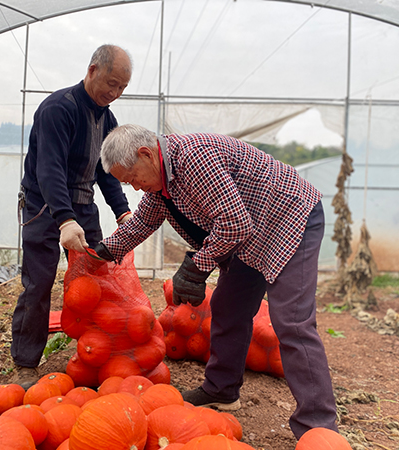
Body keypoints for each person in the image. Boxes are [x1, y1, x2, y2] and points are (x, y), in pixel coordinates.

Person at [94, 124, 339, 439]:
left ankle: (319, 428)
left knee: (292, 322)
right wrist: (102, 252)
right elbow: (142, 221)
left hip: (288, 221)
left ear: (146, 154)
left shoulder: (194, 159)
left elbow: (234, 224)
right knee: (228, 306)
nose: (136, 188)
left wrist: (197, 267)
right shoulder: (161, 183)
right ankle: (222, 390)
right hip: (249, 234)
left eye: (133, 179)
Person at [11, 45, 134, 389]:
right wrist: (64, 220)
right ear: (93, 70)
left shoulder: (107, 119)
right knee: (39, 283)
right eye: (111, 83)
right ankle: (25, 361)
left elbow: (107, 172)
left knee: (95, 282)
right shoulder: (58, 109)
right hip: (44, 206)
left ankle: (97, 353)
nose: (114, 93)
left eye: (122, 88)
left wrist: (122, 211)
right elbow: (48, 169)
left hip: (82, 205)